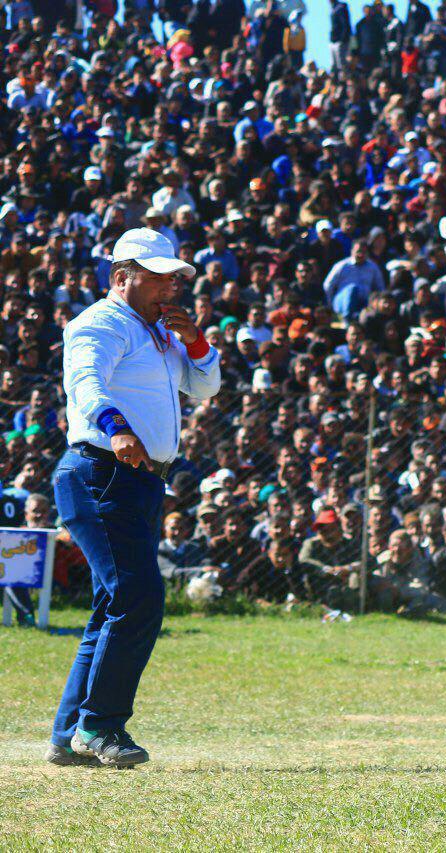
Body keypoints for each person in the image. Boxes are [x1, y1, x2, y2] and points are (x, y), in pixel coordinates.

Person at [48, 228, 220, 767]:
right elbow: (85, 383)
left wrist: (196, 343)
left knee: (114, 605)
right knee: (138, 597)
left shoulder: (161, 331)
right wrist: (116, 427)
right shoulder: (99, 323)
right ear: (122, 277)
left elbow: (205, 388)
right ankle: (100, 728)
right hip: (102, 471)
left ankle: (69, 734)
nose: (171, 284)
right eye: (159, 275)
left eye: (175, 275)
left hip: (137, 479)